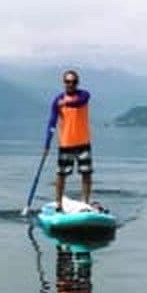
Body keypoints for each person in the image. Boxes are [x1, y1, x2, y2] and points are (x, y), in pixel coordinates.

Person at [44, 69, 93, 211]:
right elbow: (52, 122)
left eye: (73, 81)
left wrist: (66, 103)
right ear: (64, 83)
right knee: (61, 174)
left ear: (77, 83)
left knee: (86, 173)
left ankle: (85, 203)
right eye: (67, 81)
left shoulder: (84, 95)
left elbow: (80, 102)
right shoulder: (57, 101)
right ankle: (59, 204)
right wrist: (47, 144)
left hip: (83, 142)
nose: (70, 84)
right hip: (66, 143)